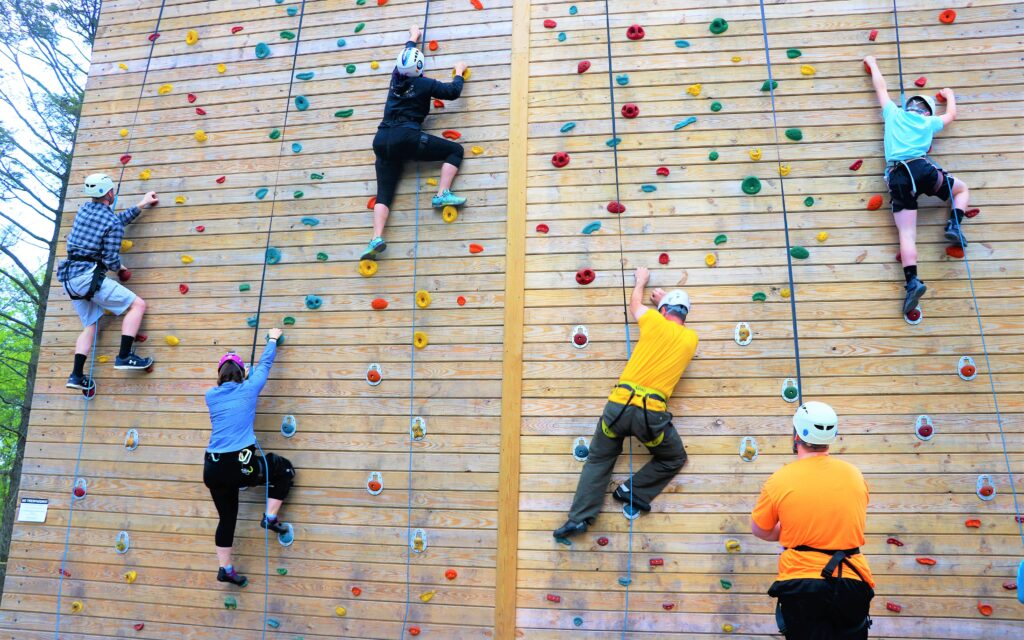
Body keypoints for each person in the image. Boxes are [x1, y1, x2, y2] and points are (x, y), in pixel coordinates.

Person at [553, 267, 697, 539]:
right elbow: (678, 322)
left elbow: (635, 305)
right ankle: (632, 491)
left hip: (618, 408)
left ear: (663, 310)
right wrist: (667, 300)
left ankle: (578, 519)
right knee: (673, 457)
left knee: (598, 460)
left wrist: (641, 282)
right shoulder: (691, 339)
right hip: (650, 417)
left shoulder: (653, 321)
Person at [751, 401, 875, 639]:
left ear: (796, 434)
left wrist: (787, 529)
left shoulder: (780, 479)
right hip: (851, 580)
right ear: (831, 436)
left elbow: (760, 529)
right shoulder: (854, 476)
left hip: (801, 584)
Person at [863, 55, 970, 315]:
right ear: (926, 111)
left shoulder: (893, 113)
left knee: (907, 234)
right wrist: (950, 94)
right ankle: (954, 223)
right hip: (921, 169)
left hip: (898, 175)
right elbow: (952, 115)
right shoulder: (928, 122)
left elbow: (881, 87)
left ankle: (912, 282)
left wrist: (873, 64)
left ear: (909, 106)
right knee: (961, 190)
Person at [361, 25, 469, 261]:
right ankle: (442, 193)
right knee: (455, 150)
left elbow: (407, 54)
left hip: (381, 140)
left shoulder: (395, 78)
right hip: (406, 136)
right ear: (419, 68)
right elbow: (452, 92)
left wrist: (412, 38)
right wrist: (459, 72)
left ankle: (376, 238)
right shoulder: (424, 84)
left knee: (384, 193)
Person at [204, 329, 296, 588]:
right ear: (242, 374)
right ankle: (270, 517)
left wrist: (247, 375)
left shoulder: (211, 395)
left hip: (213, 468)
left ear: (219, 376)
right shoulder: (249, 388)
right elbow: (265, 364)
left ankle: (225, 568)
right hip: (238, 464)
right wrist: (272, 339)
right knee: (283, 470)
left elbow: (245, 380)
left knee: (227, 518)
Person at [56, 174, 158, 392]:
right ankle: (124, 356)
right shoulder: (110, 222)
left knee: (90, 325)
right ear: (110, 193)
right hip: (87, 278)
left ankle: (76, 375)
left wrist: (141, 205)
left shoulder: (84, 210)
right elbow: (111, 260)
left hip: (69, 279)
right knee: (137, 305)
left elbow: (112, 223)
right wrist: (121, 269)